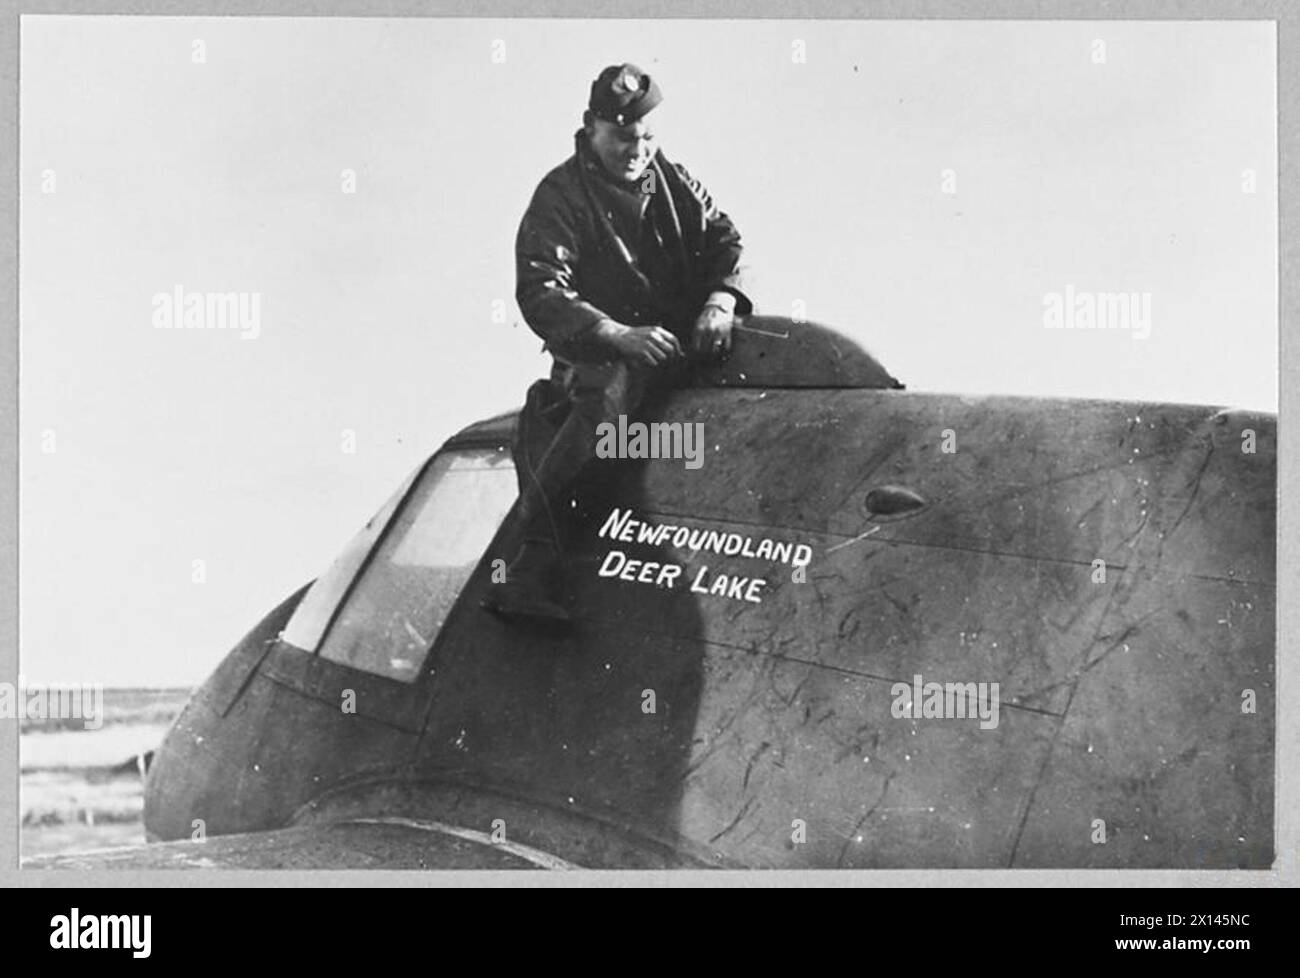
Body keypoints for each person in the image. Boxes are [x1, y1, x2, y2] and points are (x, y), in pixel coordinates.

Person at [483, 63, 752, 628]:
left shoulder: (672, 180)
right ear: (591, 128)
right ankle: (534, 558)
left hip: (679, 336)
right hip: (601, 347)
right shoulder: (559, 195)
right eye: (624, 137)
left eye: (648, 137)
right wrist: (615, 335)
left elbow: (726, 239)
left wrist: (721, 301)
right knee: (605, 406)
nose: (638, 151)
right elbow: (540, 289)